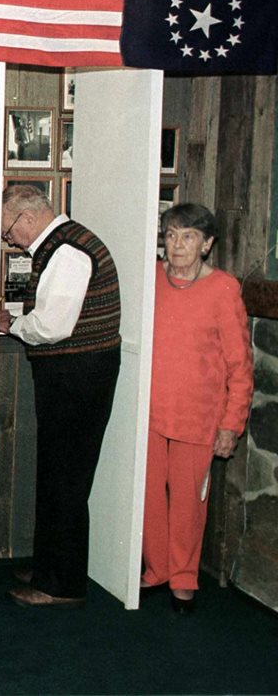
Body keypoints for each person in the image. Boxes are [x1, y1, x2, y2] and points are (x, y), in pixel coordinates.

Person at [0, 184, 121, 608]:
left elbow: (52, 327)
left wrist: (12, 325)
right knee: (56, 473)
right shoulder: (62, 245)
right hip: (74, 375)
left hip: (77, 377)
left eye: (9, 230)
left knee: (65, 478)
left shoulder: (67, 251)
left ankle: (62, 585)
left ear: (28, 219)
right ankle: (50, 564)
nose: (8, 239)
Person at [144, 203, 252, 614]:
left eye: (188, 237)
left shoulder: (223, 288)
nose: (177, 245)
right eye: (171, 235)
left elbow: (240, 365)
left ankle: (183, 579)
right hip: (151, 412)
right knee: (150, 494)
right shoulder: (153, 279)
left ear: (206, 244)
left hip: (198, 416)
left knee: (189, 501)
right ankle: (156, 570)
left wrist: (231, 423)